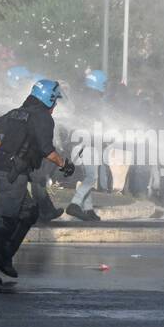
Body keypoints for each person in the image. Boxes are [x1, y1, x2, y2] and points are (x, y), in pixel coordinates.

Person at [0, 79, 75, 286]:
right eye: (55, 101)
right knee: (5, 222)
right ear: (49, 100)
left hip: (4, 169)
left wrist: (5, 152)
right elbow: (47, 150)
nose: (55, 106)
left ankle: (3, 256)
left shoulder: (17, 112)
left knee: (29, 212)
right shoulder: (43, 118)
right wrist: (65, 164)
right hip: (13, 174)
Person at [66, 69, 107, 223]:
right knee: (92, 176)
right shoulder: (95, 99)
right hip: (87, 144)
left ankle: (88, 209)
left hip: (78, 143)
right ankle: (75, 203)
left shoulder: (83, 96)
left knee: (88, 175)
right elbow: (98, 121)